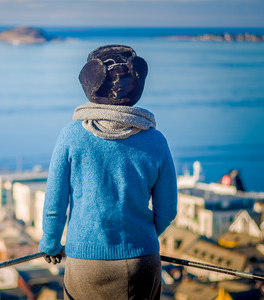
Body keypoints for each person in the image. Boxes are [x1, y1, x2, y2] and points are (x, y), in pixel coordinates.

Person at [39, 45, 178, 299]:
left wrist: (50, 244)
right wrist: (140, 236)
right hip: (142, 260)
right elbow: (167, 209)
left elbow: (54, 204)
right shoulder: (156, 140)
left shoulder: (71, 136)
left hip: (85, 262)